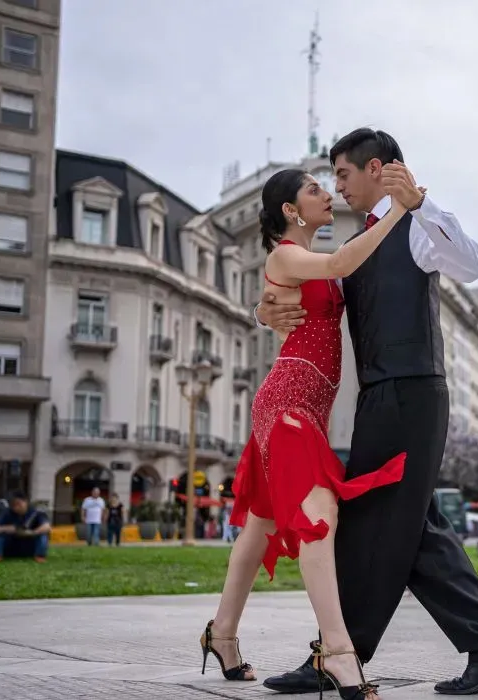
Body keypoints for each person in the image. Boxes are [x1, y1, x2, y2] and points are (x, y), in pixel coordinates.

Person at [258, 129, 478, 696]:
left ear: (376, 168)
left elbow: (472, 265)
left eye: (343, 174)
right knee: (412, 526)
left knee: (378, 522)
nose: (338, 187)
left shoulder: (414, 226)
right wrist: (269, 311)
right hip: (380, 396)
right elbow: (304, 288)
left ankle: (340, 655)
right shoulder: (359, 238)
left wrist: (423, 204)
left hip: (412, 391)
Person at [200, 164, 412, 698]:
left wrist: (260, 311)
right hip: (289, 399)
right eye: (316, 190)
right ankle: (339, 651)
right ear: (291, 211)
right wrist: (399, 211)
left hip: (307, 404)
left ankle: (221, 634)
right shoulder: (285, 254)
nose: (327, 196)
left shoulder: (301, 260)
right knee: (320, 516)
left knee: (260, 528)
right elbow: (339, 261)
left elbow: (293, 291)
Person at [0, 491, 50, 563]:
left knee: (43, 535)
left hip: (30, 544)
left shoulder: (36, 512)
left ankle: (40, 556)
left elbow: (46, 527)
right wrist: (6, 528)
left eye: (18, 504)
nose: (16, 507)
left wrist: (32, 533)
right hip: (11, 545)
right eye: (13, 505)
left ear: (26, 501)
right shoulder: (6, 513)